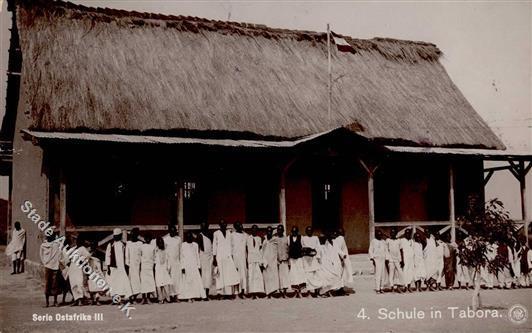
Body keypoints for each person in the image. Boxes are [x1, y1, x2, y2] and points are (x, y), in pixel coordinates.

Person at [212, 220, 240, 297]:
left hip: (228, 256)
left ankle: (230, 293)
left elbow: (231, 245)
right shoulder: (216, 233)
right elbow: (214, 245)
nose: (223, 225)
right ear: (219, 225)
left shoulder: (229, 233)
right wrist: (214, 257)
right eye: (222, 223)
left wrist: (232, 256)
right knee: (220, 275)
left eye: (225, 223)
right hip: (219, 257)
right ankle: (219, 293)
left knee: (231, 274)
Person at [105, 228, 132, 303]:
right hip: (113, 267)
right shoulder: (110, 245)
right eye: (115, 236)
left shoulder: (123, 245)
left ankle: (128, 297)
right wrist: (108, 267)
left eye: (118, 236)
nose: (116, 237)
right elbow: (107, 256)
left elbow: (126, 256)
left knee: (124, 281)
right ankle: (115, 299)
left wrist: (127, 266)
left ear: (120, 236)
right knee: (114, 283)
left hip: (122, 267)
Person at [179, 231, 206, 302]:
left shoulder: (195, 245)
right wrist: (182, 267)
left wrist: (199, 266)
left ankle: (196, 295)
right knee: (188, 281)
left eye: (190, 236)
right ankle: (189, 297)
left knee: (196, 281)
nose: (189, 238)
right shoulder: (183, 245)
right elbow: (181, 257)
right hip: (187, 266)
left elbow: (197, 256)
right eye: (187, 237)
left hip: (194, 265)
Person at [40, 233, 61, 307]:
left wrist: (45, 262)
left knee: (47, 283)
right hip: (55, 266)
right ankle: (55, 302)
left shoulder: (43, 245)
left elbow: (41, 255)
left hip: (47, 266)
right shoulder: (56, 245)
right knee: (54, 284)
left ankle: (47, 302)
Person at [301, 226, 322, 297]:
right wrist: (307, 252)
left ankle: (316, 292)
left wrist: (317, 256)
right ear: (306, 231)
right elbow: (302, 248)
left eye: (310, 230)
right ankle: (309, 293)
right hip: (306, 260)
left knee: (316, 276)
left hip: (314, 259)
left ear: (312, 231)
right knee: (308, 277)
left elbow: (318, 248)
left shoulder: (315, 238)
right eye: (308, 230)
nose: (309, 232)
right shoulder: (303, 238)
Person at [69, 235, 90, 306]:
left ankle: (81, 299)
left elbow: (88, 255)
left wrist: (82, 261)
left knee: (79, 283)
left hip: (78, 267)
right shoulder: (74, 248)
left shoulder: (82, 248)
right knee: (73, 283)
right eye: (76, 240)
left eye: (78, 240)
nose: (76, 242)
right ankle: (76, 299)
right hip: (72, 267)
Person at [163, 225, 182, 302]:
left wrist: (181, 262)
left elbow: (180, 251)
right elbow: (164, 251)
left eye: (174, 230)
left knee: (176, 279)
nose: (173, 232)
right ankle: (169, 296)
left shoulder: (178, 239)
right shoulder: (165, 239)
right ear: (169, 231)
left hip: (176, 262)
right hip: (168, 262)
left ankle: (176, 296)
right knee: (169, 280)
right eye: (171, 230)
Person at [247, 225, 265, 298]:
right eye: (253, 229)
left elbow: (260, 250)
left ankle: (257, 292)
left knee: (257, 277)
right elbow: (246, 249)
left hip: (257, 259)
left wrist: (261, 261)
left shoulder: (259, 238)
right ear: (251, 230)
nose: (254, 231)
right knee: (251, 276)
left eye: (256, 229)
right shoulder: (248, 238)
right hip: (251, 259)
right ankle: (252, 293)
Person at [261, 226, 280, 298]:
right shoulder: (264, 241)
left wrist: (277, 259)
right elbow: (262, 251)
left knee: (273, 277)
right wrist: (262, 261)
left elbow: (277, 250)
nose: (269, 232)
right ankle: (267, 293)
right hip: (266, 261)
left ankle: (272, 293)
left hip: (273, 261)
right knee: (266, 277)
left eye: (270, 231)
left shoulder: (275, 240)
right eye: (268, 231)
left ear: (272, 232)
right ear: (266, 232)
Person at [125, 227, 143, 302]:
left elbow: (142, 255)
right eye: (132, 234)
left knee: (137, 282)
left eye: (135, 234)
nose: (133, 235)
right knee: (131, 282)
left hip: (138, 265)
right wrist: (127, 265)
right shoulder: (128, 243)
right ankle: (131, 297)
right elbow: (127, 255)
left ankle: (135, 297)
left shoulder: (140, 243)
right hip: (131, 266)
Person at [288, 226, 306, 297]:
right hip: (292, 260)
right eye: (293, 232)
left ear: (297, 232)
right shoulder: (289, 238)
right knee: (293, 276)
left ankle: (300, 292)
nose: (294, 233)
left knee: (300, 275)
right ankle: (295, 292)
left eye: (295, 232)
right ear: (291, 232)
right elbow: (288, 248)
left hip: (299, 259)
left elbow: (304, 247)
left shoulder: (301, 238)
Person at [231, 221, 248, 298]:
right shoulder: (232, 235)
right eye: (238, 225)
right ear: (235, 227)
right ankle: (236, 293)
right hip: (235, 259)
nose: (241, 226)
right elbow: (230, 248)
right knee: (236, 276)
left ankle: (243, 292)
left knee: (243, 276)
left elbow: (247, 248)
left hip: (243, 259)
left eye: (241, 225)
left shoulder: (245, 235)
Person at [197, 222, 213, 299]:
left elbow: (212, 245)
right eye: (202, 225)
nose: (203, 227)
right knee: (203, 275)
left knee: (208, 275)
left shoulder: (210, 234)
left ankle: (207, 293)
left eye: (205, 225)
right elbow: (200, 248)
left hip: (209, 256)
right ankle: (202, 294)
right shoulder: (200, 235)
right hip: (203, 257)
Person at [154, 236, 172, 303]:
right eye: (159, 243)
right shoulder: (155, 250)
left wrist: (168, 268)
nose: (161, 243)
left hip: (164, 269)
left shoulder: (166, 250)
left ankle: (167, 298)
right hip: (158, 269)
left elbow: (168, 260)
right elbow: (154, 260)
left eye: (161, 242)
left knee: (166, 283)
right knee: (159, 284)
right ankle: (160, 299)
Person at [140, 233, 156, 304]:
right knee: (144, 282)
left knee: (149, 282)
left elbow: (154, 257)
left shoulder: (153, 247)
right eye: (146, 238)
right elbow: (140, 256)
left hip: (150, 266)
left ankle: (148, 298)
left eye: (149, 238)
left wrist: (153, 266)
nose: (148, 240)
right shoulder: (142, 246)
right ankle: (143, 298)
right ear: (144, 239)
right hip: (143, 266)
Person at [385, 228, 403, 292]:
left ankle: (398, 286)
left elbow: (401, 250)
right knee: (391, 273)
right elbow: (386, 250)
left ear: (396, 234)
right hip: (391, 260)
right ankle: (392, 287)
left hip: (397, 259)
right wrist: (387, 259)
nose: (392, 234)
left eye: (394, 233)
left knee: (400, 273)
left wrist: (402, 260)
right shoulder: (388, 240)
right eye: (391, 233)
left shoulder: (399, 240)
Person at [87, 241, 105, 305]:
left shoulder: (98, 254)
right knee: (92, 287)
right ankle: (92, 300)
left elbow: (100, 264)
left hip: (96, 271)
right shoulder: (88, 254)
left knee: (97, 286)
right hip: (91, 271)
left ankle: (96, 300)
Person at [274, 224, 290, 297]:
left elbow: (289, 249)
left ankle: (285, 292)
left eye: (281, 230)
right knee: (279, 277)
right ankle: (280, 292)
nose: (279, 231)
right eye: (278, 230)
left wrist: (287, 258)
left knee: (285, 277)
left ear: (283, 230)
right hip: (277, 261)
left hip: (285, 260)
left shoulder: (286, 239)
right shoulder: (275, 239)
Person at [368, 229, 387, 293]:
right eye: (378, 235)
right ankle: (377, 288)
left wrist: (386, 258)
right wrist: (372, 258)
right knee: (378, 274)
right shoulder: (373, 241)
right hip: (377, 259)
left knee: (383, 274)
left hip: (383, 259)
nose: (380, 236)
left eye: (380, 235)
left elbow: (386, 251)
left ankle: (382, 288)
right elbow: (370, 250)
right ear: (376, 235)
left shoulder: (383, 242)